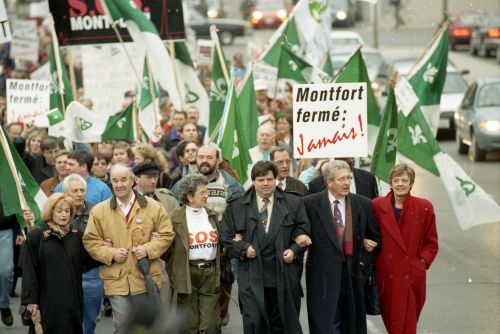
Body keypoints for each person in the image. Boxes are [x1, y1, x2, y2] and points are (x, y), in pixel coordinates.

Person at [82, 164, 175, 334]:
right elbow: (90, 241)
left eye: (123, 179)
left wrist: (148, 249)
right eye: (115, 180)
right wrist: (111, 253)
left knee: (148, 326)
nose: (119, 184)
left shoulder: (153, 207)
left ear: (133, 181)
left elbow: (166, 234)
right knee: (123, 326)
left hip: (146, 279)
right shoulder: (99, 211)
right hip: (117, 280)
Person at [221, 160, 311, 333]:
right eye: (261, 180)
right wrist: (243, 248)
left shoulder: (293, 203)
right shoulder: (236, 206)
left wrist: (294, 250)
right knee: (255, 322)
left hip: (284, 275)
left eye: (269, 179)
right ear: (253, 181)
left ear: (275, 179)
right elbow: (225, 236)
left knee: (284, 325)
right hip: (251, 274)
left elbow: (304, 228)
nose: (265, 184)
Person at [303, 160, 380, 333]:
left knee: (351, 323)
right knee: (326, 324)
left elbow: (375, 238)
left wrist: (362, 262)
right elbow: (301, 231)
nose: (347, 183)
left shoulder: (363, 204)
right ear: (329, 182)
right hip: (322, 276)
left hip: (353, 273)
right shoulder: (309, 204)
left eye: (348, 178)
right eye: (341, 179)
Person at [372, 163, 438, 334]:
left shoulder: (424, 207)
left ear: (411, 183)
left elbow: (432, 242)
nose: (400, 184)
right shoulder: (377, 206)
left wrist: (421, 262)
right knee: (393, 322)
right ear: (390, 183)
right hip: (387, 275)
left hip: (412, 275)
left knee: (408, 324)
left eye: (404, 180)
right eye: (396, 180)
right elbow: (368, 233)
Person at [21, 194, 86, 334]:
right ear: (50, 212)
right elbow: (29, 270)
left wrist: (106, 250)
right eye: (59, 211)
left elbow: (86, 262)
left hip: (72, 299)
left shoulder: (76, 235)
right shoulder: (37, 236)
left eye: (67, 211)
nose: (64, 215)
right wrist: (30, 300)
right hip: (47, 299)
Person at [165, 175, 221, 333]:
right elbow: (166, 251)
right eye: (202, 192)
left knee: (211, 325)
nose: (206, 195)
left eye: (206, 192)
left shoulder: (212, 215)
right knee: (189, 325)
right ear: (189, 196)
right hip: (186, 274)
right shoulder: (174, 218)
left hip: (210, 274)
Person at [63, 174, 104, 334]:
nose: (80, 194)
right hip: (66, 274)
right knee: (69, 318)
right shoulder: (58, 213)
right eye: (75, 191)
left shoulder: (97, 211)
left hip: (92, 272)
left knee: (90, 319)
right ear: (66, 193)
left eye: (82, 190)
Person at [309, 157, 379, 199]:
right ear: (336, 159)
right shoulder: (317, 184)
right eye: (346, 158)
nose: (351, 160)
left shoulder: (368, 178)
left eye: (352, 157)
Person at [0, 199, 23, 327]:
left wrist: (21, 230)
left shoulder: (9, 179)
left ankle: (3, 305)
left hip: (5, 231)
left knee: (5, 272)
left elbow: (19, 203)